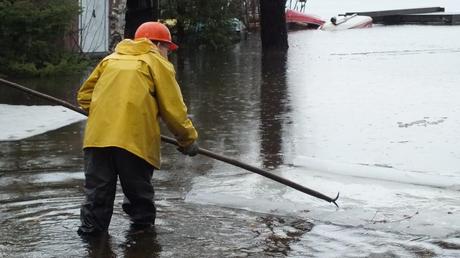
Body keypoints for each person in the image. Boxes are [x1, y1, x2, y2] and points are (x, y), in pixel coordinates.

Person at [76, 21, 199, 236]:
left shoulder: (110, 60)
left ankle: (92, 244)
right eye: (167, 49)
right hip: (133, 142)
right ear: (158, 45)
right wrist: (187, 139)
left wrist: (104, 113)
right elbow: (173, 109)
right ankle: (142, 242)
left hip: (97, 140)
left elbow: (84, 97)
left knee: (97, 197)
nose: (167, 54)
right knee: (139, 198)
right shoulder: (156, 63)